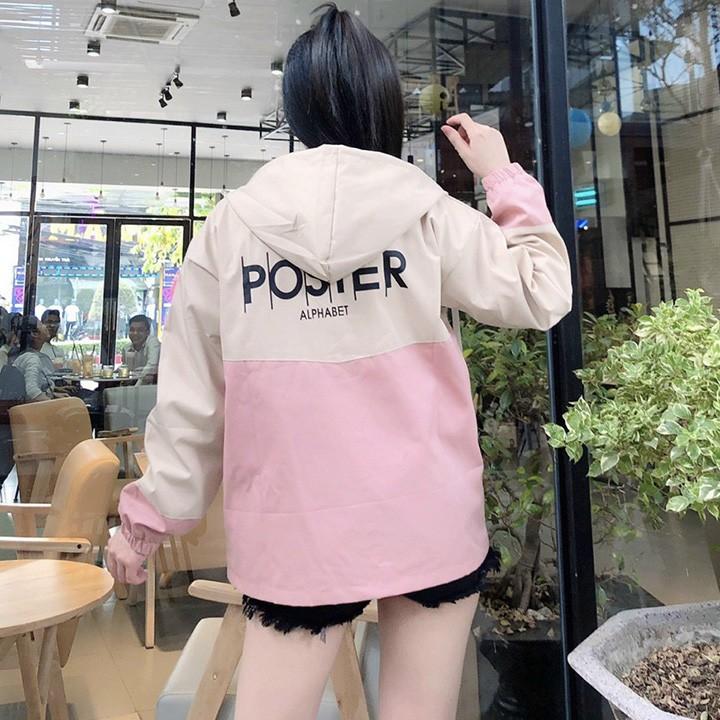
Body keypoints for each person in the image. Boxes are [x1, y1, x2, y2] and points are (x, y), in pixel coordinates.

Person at [105, 6, 572, 720]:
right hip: (429, 516)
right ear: (384, 103)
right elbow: (542, 290)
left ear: (297, 108)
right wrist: (501, 172)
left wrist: (143, 527)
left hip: (294, 528)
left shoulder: (232, 226)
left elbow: (193, 402)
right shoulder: (427, 212)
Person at [13, 316, 68, 402]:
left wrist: (53, 395)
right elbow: (32, 392)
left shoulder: (27, 356)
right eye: (41, 324)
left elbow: (38, 388)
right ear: (35, 334)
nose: (46, 326)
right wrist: (53, 403)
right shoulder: (32, 358)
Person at [122, 315, 161, 383]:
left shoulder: (153, 342)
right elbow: (126, 370)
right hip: (132, 385)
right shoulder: (126, 349)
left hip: (153, 386)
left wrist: (135, 387)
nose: (135, 333)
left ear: (148, 332)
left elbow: (151, 367)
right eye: (132, 330)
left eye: (140, 330)